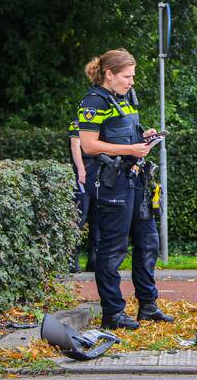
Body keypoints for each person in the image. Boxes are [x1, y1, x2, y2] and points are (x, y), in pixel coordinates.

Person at [75, 48, 173, 330]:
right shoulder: (94, 101)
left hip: (136, 179)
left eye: (132, 76)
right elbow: (89, 145)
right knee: (113, 249)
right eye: (127, 76)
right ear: (109, 74)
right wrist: (130, 148)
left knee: (148, 243)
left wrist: (143, 137)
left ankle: (148, 306)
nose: (132, 81)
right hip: (112, 182)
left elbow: (122, 133)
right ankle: (113, 313)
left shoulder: (125, 98)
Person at [69, 119, 98, 273]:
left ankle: (94, 259)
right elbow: (75, 145)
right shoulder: (76, 123)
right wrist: (80, 168)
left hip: (97, 172)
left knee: (97, 218)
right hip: (83, 173)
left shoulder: (100, 123)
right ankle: (72, 259)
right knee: (80, 217)